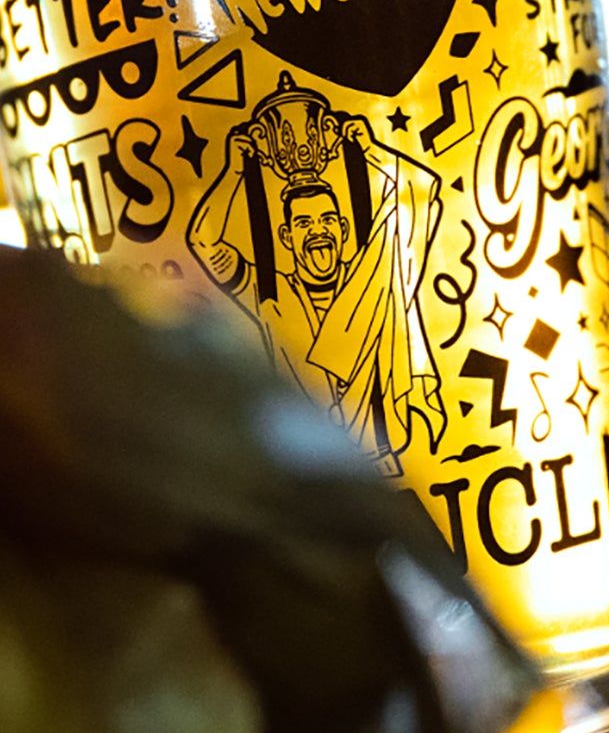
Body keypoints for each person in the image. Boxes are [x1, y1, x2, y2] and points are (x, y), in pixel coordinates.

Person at [186, 108, 446, 476]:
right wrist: (234, 170)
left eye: (326, 220)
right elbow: (204, 242)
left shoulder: (375, 276)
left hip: (397, 471)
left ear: (342, 228)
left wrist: (368, 149)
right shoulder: (270, 293)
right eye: (304, 223)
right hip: (315, 477)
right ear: (287, 237)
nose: (318, 231)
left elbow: (422, 191)